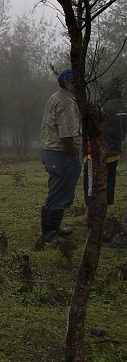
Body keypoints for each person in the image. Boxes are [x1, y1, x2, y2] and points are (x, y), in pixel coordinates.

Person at [40, 68, 83, 243]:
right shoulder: (66, 103)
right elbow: (66, 136)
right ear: (68, 83)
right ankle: (49, 234)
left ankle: (54, 229)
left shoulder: (57, 97)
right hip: (62, 154)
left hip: (54, 153)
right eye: (78, 81)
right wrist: (73, 157)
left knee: (59, 192)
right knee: (58, 194)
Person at [80, 77, 127, 226]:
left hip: (97, 153)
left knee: (91, 184)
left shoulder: (103, 108)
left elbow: (93, 128)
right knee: (109, 184)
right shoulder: (123, 107)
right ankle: (103, 216)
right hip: (115, 152)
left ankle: (89, 217)